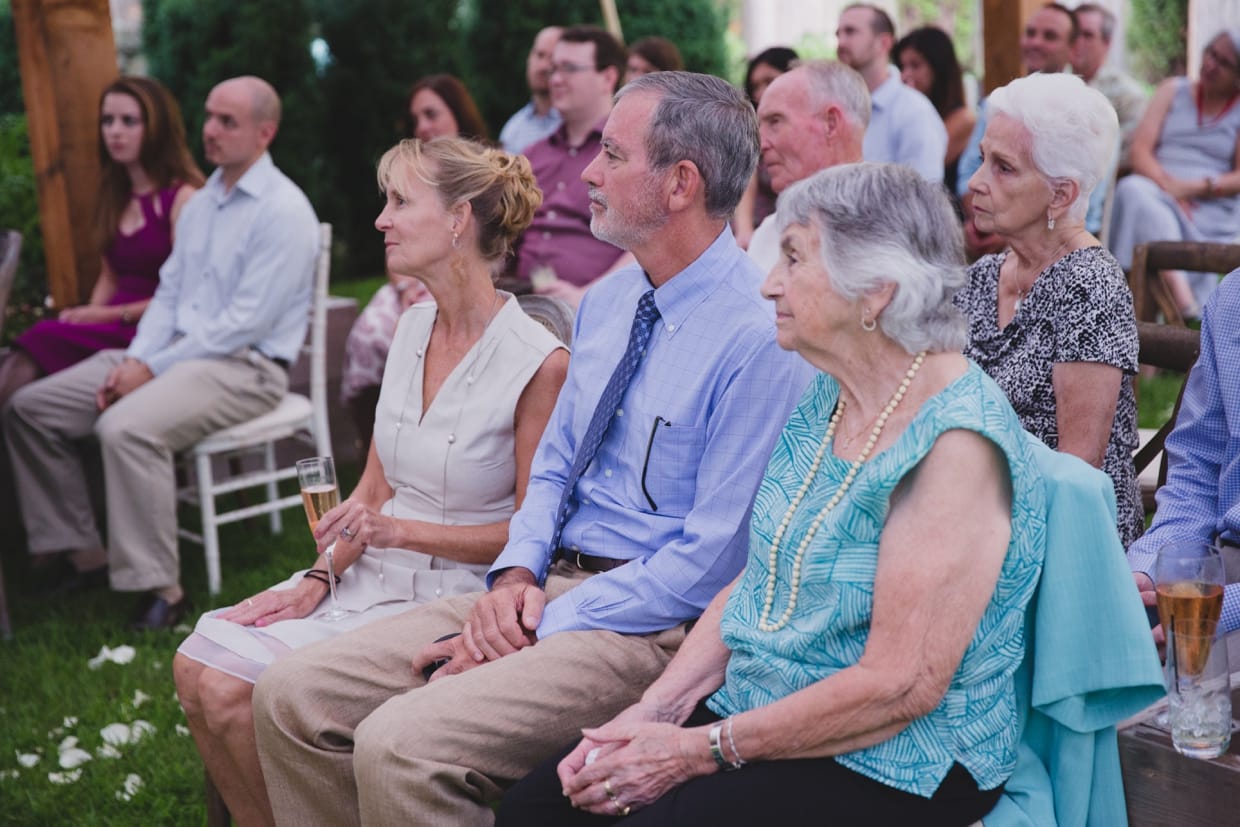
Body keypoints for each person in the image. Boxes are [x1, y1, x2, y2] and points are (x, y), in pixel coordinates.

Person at [251, 71, 814, 826]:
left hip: (645, 626)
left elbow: (711, 560)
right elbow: (553, 466)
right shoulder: (612, 302)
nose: (586, 171)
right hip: (541, 584)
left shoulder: (756, 336)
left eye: (612, 154)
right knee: (289, 694)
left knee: (400, 743)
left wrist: (537, 619)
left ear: (680, 183)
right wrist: (516, 574)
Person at [497, 161, 1046, 826]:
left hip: (897, 756)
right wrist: (654, 710)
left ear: (874, 292)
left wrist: (693, 750)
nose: (769, 284)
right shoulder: (831, 392)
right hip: (768, 703)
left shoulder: (956, 445)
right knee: (542, 803)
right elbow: (759, 575)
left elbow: (899, 686)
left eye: (792, 258)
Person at [173, 136, 568, 827]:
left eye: (398, 202)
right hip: (368, 577)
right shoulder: (411, 325)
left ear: (459, 220)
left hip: (452, 600)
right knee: (195, 664)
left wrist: (395, 531)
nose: (380, 219)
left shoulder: (540, 363)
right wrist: (315, 578)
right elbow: (371, 490)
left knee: (234, 690)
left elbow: (528, 535)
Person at [4, 76, 319, 629]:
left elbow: (242, 325)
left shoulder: (283, 209)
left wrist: (149, 367)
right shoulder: (202, 206)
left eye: (227, 121)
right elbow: (170, 296)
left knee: (125, 428)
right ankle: (81, 552)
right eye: (208, 117)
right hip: (174, 355)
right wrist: (135, 360)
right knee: (30, 409)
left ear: (264, 133)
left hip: (245, 367)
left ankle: (164, 591)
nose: (210, 131)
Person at [956, 72, 1142, 547]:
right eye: (982, 160)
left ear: (1061, 194)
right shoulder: (982, 277)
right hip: (970, 518)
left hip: (1059, 545)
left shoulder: (1090, 286)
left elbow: (1075, 475)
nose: (976, 183)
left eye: (1004, 168)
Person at [0, 76, 202, 411]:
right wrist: (85, 316)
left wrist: (103, 316)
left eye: (129, 121)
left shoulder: (184, 198)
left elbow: (187, 297)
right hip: (111, 325)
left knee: (39, 339)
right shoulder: (114, 196)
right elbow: (110, 276)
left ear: (156, 127)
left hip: (150, 330)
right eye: (107, 121)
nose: (115, 131)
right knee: (44, 339)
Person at [342, 73, 490, 453]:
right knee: (370, 332)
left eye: (431, 114)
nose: (423, 126)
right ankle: (381, 439)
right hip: (412, 282)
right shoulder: (412, 169)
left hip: (465, 269)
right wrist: (407, 287)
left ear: (459, 114)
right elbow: (396, 248)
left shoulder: (487, 170)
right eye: (415, 119)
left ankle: (431, 439)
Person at [1129, 271, 1240, 641]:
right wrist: (1152, 566)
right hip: (1223, 562)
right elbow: (1198, 468)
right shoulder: (1233, 298)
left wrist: (1216, 614)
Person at [1108, 29, 1240, 320]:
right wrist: (1170, 189)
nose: (1210, 64)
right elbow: (1140, 152)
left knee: (1145, 207)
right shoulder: (1171, 90)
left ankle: (1160, 320)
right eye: (1210, 53)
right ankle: (1184, 304)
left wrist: (1195, 189)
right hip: (1156, 188)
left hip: (1210, 208)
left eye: (1224, 62)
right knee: (1133, 191)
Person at [513, 25, 631, 306]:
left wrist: (589, 296)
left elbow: (653, 241)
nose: (554, 79)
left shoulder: (630, 153)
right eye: (553, 69)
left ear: (608, 77)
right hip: (520, 301)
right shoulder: (532, 155)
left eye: (568, 68)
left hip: (601, 308)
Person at [746, 60, 869, 272]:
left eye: (775, 121)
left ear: (830, 123)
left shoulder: (897, 231)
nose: (761, 144)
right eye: (759, 127)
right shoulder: (766, 236)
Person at [956, 3, 1078, 201]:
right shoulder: (996, 104)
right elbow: (967, 178)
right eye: (1030, 33)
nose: (1036, 42)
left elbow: (1082, 202)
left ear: (1073, 49)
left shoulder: (1084, 114)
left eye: (1050, 36)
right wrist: (984, 223)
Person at [835, 3, 946, 182]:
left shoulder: (914, 111)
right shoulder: (837, 105)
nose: (841, 42)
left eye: (851, 32)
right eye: (838, 34)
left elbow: (923, 197)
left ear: (884, 42)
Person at [894, 26, 977, 197]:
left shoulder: (964, 119)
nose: (905, 75)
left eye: (915, 65)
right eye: (902, 67)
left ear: (939, 69)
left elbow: (917, 168)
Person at [732, 46, 799, 249]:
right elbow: (746, 177)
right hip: (756, 226)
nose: (761, 92)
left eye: (769, 81)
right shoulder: (750, 127)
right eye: (755, 86)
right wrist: (744, 231)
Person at [1071, 3, 1148, 171]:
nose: (1077, 41)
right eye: (1073, 33)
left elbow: (1126, 156)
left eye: (1087, 35)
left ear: (1107, 42)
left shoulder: (1128, 95)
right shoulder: (1053, 83)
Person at [499, 26, 563, 154]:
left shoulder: (578, 123)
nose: (544, 66)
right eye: (539, 55)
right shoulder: (513, 129)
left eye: (552, 58)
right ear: (529, 58)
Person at [405, 73, 489, 144]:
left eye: (431, 114)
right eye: (415, 121)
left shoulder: (494, 161)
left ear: (458, 114)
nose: (421, 127)